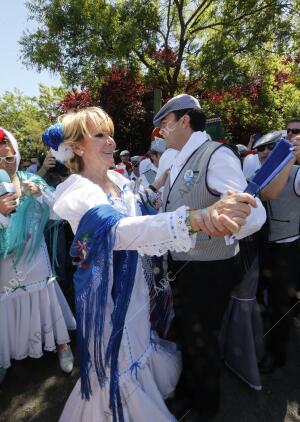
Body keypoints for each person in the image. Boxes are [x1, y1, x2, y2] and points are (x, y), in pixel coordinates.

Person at [41, 106, 257, 422]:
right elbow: (119, 231)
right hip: (110, 302)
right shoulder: (77, 194)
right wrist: (195, 219)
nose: (111, 142)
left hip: (139, 292)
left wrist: (181, 203)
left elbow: (142, 214)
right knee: (121, 361)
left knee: (141, 349)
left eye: (110, 134)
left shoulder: (118, 179)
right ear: (75, 147)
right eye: (99, 135)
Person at [153, 94, 266, 420]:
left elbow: (253, 215)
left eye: (165, 125)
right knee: (189, 335)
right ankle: (190, 391)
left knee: (202, 340)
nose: (162, 132)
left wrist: (222, 228)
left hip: (208, 269)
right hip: (185, 266)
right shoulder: (178, 159)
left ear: (184, 121)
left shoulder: (216, 156)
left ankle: (205, 407)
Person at [0, 127, 76, 385]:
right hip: (6, 267)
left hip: (36, 263)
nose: (4, 163)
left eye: (8, 157)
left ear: (17, 156)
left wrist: (42, 195)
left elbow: (60, 213)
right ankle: (5, 356)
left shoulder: (33, 180)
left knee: (46, 298)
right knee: (7, 304)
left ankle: (63, 345)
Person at [252, 129, 300, 373]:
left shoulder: (297, 173)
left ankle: (276, 355)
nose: (263, 153)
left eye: (269, 148)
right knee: (266, 298)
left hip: (288, 247)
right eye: (260, 149)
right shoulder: (259, 175)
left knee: (279, 304)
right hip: (265, 246)